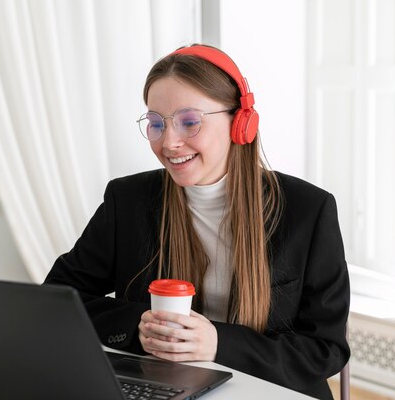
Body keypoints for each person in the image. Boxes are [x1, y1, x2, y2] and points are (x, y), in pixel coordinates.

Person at [44, 44, 350, 399]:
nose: (169, 142)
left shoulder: (308, 210)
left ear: (240, 124)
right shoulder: (127, 200)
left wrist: (219, 343)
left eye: (189, 122)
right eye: (156, 124)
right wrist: (136, 327)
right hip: (164, 387)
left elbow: (324, 350)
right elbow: (58, 298)